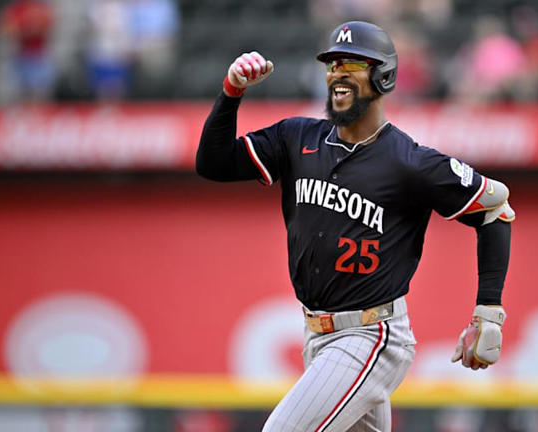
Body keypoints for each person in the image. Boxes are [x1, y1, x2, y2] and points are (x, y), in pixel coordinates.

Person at [196, 21, 514, 431]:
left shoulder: (408, 161)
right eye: (332, 63)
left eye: (352, 63)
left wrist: (488, 311)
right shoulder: (297, 139)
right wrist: (231, 92)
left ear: (383, 75)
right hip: (317, 335)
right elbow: (213, 163)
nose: (337, 73)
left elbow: (494, 209)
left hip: (371, 336)